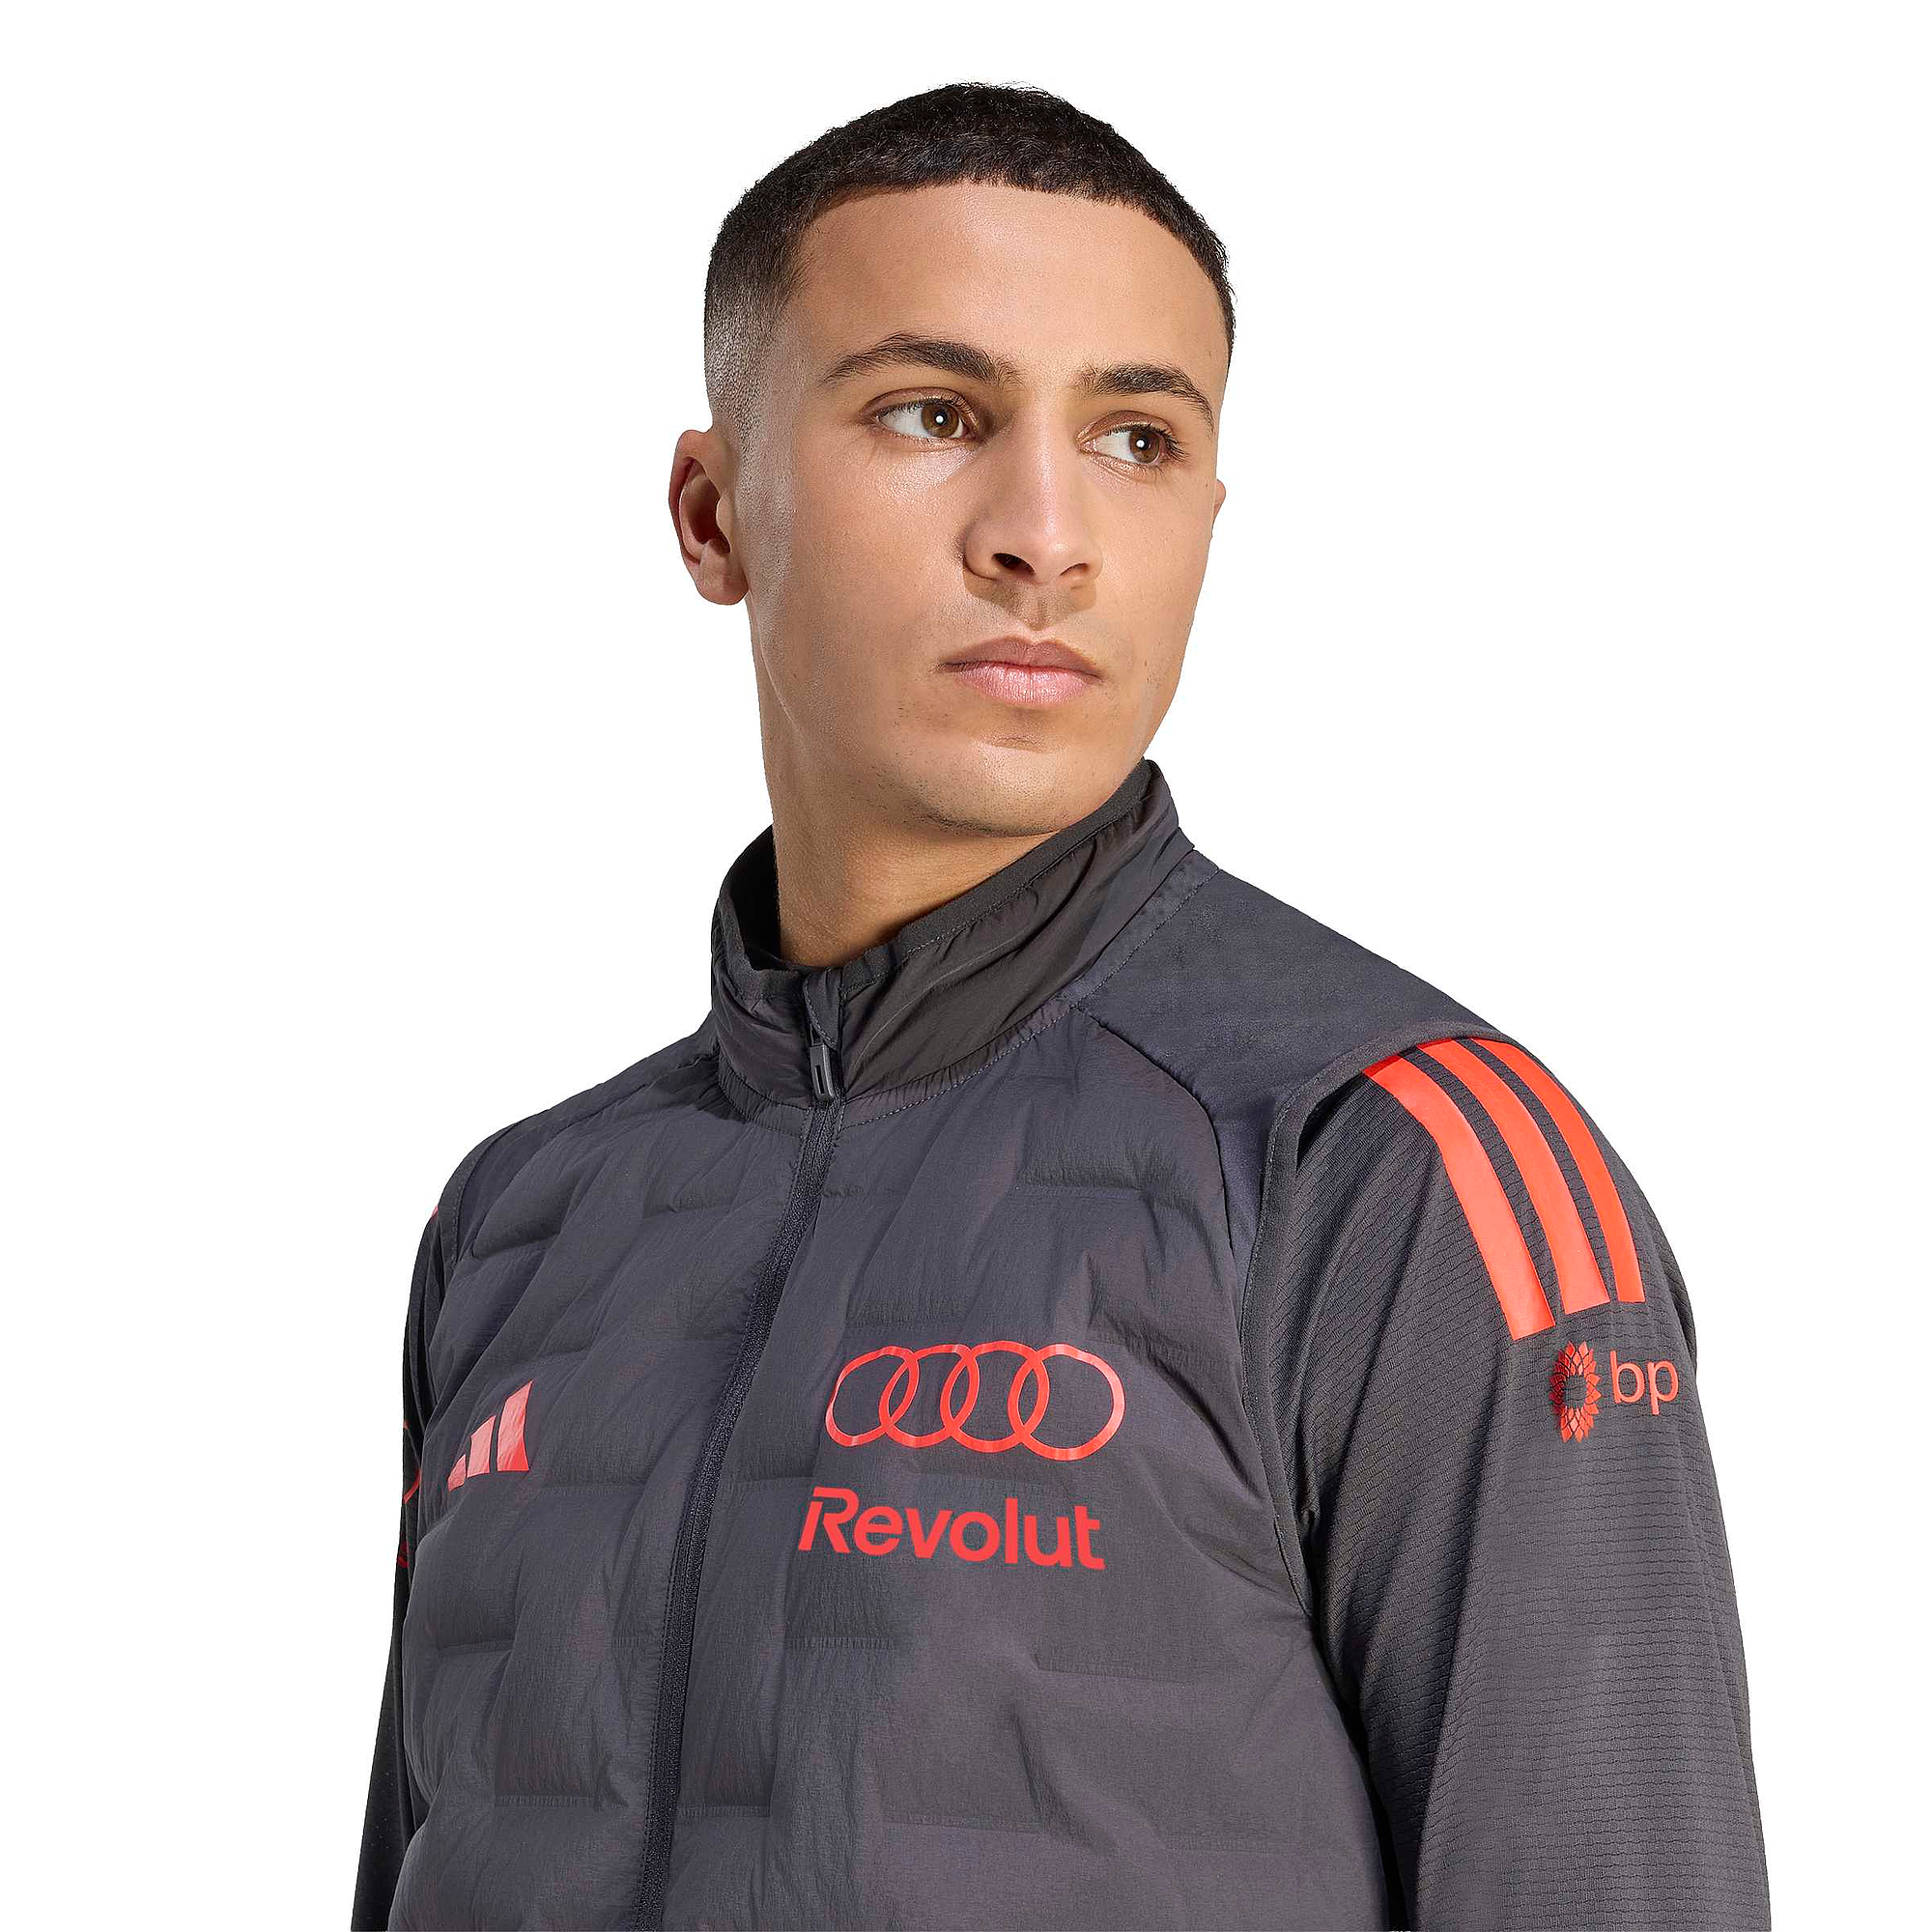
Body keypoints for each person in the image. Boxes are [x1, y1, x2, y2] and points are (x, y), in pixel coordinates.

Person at [352, 80, 1771, 1932]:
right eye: (933, 415)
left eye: (1136, 439)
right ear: (713, 514)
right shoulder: (519, 1222)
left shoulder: (1396, 1168)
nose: (1045, 534)